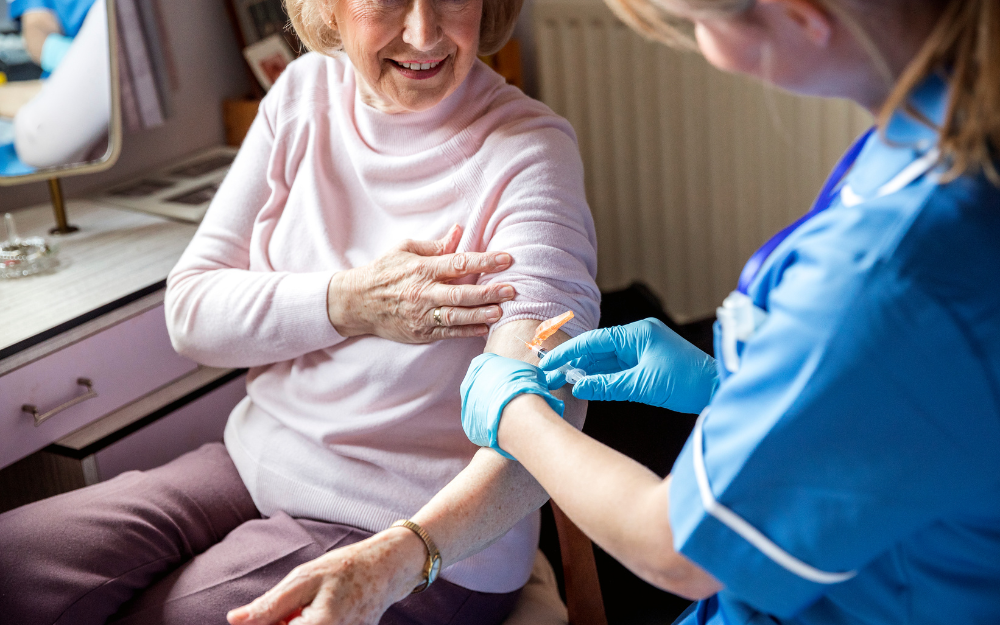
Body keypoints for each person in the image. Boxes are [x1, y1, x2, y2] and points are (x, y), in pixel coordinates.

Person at [0, 0, 600, 622]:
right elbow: (191, 313)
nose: (424, 32)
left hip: (418, 527)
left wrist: (403, 552)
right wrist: (351, 302)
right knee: (13, 564)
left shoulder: (529, 153)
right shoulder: (302, 91)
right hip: (252, 462)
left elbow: (541, 419)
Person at [460, 0, 1000, 623]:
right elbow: (907, 399)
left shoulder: (889, 268)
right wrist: (731, 386)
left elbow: (679, 552)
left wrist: (517, 414)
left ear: (802, 14)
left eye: (704, 25)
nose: (707, 50)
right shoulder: (933, 126)